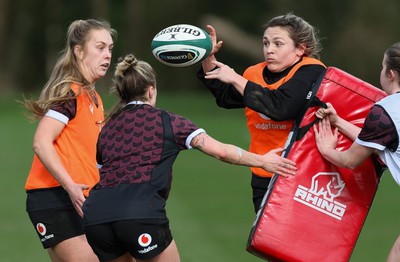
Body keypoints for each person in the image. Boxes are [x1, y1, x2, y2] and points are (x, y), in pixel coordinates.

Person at [82, 53, 297, 262]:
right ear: (151, 90)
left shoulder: (107, 129)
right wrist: (263, 161)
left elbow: (105, 173)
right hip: (139, 213)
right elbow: (221, 151)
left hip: (96, 216)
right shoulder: (168, 121)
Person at [197, 12, 326, 212]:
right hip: (263, 172)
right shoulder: (253, 73)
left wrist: (235, 78)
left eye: (278, 43)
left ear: (300, 49)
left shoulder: (312, 71)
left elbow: (281, 107)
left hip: (301, 176)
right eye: (265, 43)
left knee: (298, 241)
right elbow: (225, 98)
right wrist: (208, 59)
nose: (269, 50)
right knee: (264, 242)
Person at [23, 19, 116, 261]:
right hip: (54, 197)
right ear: (79, 51)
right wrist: (71, 186)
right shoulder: (69, 93)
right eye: (100, 47)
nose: (107, 55)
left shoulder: (93, 97)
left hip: (81, 200)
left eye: (110, 48)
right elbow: (41, 142)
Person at [313, 42, 400, 262]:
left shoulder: (386, 111)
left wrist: (327, 150)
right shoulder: (387, 118)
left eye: (382, 67)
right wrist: (338, 122)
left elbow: (351, 160)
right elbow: (378, 141)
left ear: (390, 74)